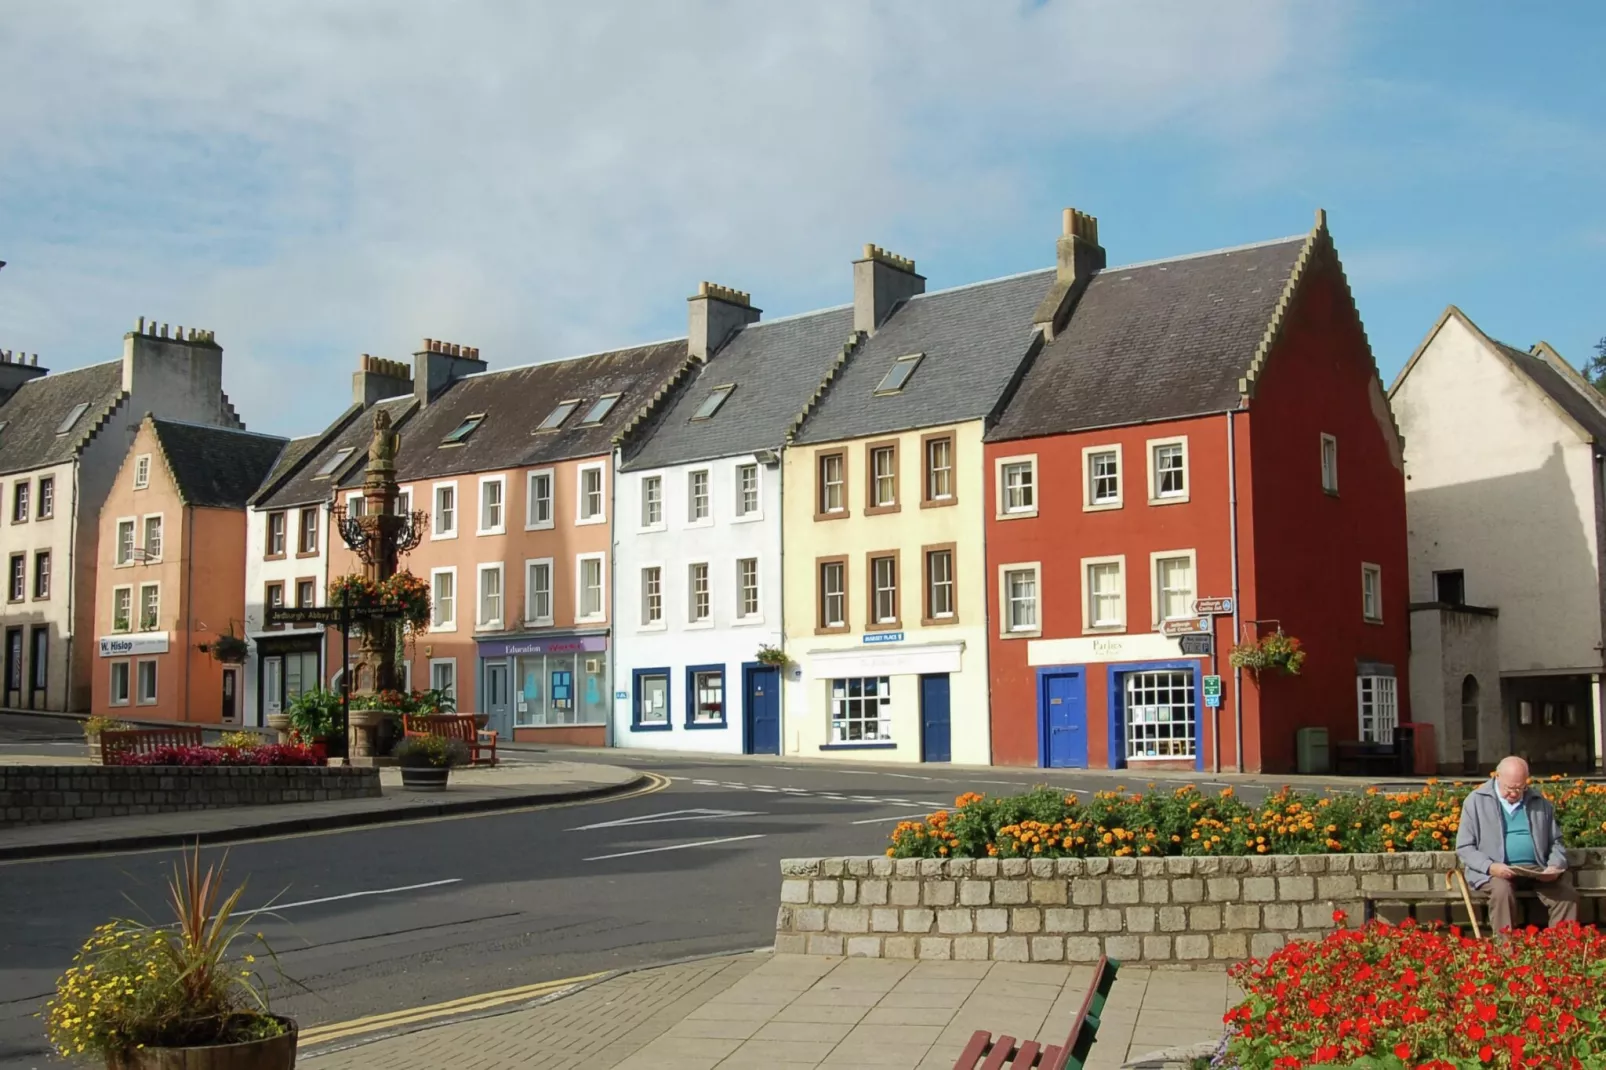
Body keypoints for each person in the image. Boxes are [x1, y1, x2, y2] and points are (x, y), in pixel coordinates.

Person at [1455, 755, 1578, 931]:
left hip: (1535, 869)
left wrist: (1554, 865)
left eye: (1521, 788)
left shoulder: (1539, 802)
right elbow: (1464, 847)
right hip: (1495, 871)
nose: (1514, 793)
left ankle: (1560, 951)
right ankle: (1507, 952)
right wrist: (1490, 866)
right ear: (1497, 777)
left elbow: (1556, 842)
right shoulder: (1475, 801)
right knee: (1502, 892)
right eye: (1510, 788)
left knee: (1567, 895)